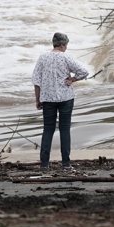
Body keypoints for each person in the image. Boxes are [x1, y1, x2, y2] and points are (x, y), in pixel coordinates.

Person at [31, 31, 89, 170]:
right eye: (66, 45)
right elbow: (84, 71)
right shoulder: (66, 58)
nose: (66, 47)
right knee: (64, 129)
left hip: (48, 98)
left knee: (48, 130)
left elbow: (36, 80)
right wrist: (73, 79)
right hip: (66, 98)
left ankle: (44, 164)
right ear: (62, 45)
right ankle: (66, 164)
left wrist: (38, 99)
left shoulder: (43, 57)